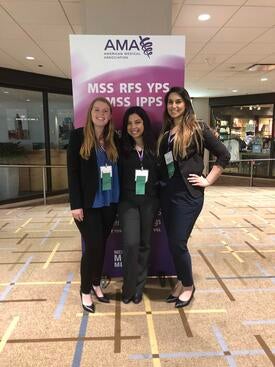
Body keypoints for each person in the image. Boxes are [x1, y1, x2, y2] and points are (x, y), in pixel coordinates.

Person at [157, 87, 230, 308]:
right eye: (170, 102)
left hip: (188, 197)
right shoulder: (166, 133)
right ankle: (180, 280)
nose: (174, 106)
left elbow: (224, 154)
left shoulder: (198, 128)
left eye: (178, 101)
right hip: (168, 196)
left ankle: (188, 286)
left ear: (186, 103)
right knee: (174, 242)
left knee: (178, 242)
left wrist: (208, 180)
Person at [67, 97, 120, 313]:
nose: (101, 114)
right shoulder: (78, 136)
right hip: (88, 205)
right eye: (97, 110)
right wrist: (75, 204)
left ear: (109, 115)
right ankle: (85, 290)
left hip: (110, 201)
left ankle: (97, 283)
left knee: (102, 245)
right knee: (93, 248)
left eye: (105, 110)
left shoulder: (113, 138)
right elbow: (72, 172)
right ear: (90, 112)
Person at [119, 106, 159, 304]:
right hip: (128, 203)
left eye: (137, 122)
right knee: (131, 243)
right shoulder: (121, 148)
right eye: (129, 123)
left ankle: (139, 288)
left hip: (150, 202)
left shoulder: (155, 147)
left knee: (145, 244)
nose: (133, 127)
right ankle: (128, 287)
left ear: (144, 123)